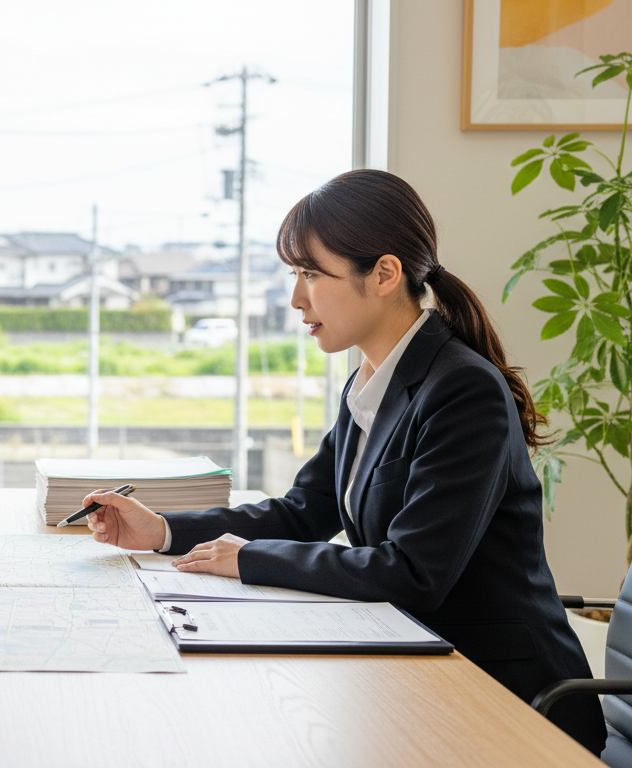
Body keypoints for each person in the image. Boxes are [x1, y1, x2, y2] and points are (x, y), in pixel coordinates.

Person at [84, 169, 606, 754]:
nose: (296, 297)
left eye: (312, 274)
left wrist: (250, 559)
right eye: (294, 274)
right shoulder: (374, 380)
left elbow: (412, 571)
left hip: (503, 696)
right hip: (416, 668)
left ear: (384, 274)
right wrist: (162, 530)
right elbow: (305, 510)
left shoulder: (463, 391)